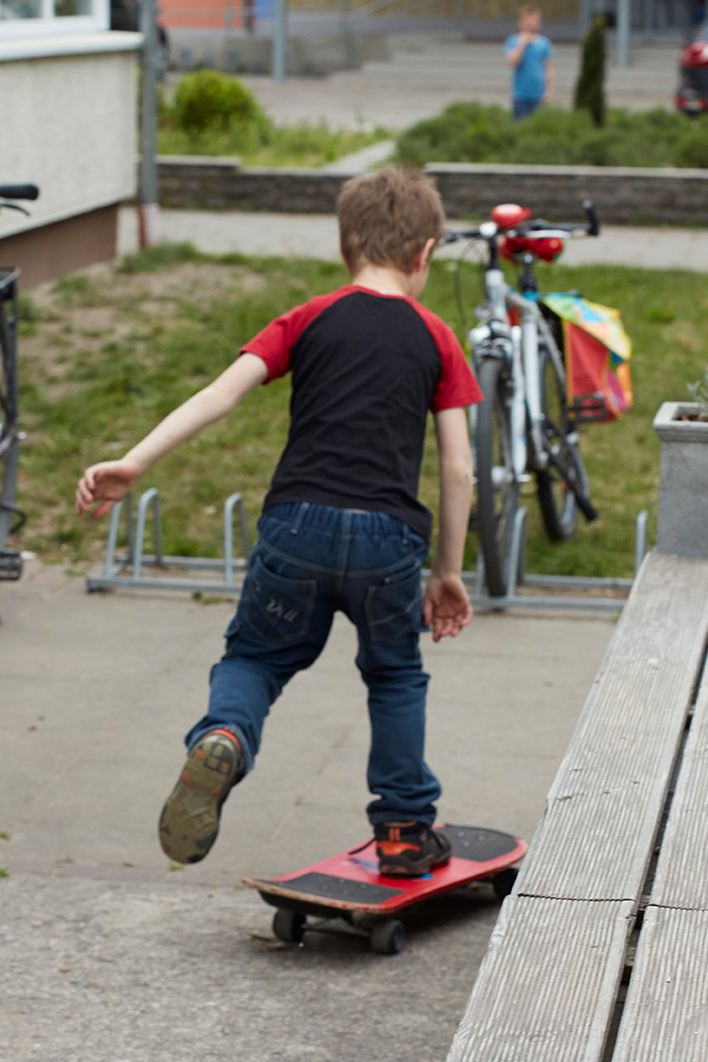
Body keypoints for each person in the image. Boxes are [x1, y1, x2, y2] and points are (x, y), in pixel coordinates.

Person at [75, 168, 482, 877]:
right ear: (426, 253)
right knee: (394, 677)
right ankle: (403, 831)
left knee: (255, 659)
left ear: (343, 245)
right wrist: (446, 572)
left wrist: (133, 463)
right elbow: (458, 469)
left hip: (295, 527)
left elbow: (218, 395)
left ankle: (226, 734)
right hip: (389, 541)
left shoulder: (309, 316)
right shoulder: (437, 336)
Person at [505, 5, 554, 119]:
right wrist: (523, 43)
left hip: (539, 95)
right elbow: (513, 62)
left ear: (539, 23)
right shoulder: (513, 41)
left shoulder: (544, 43)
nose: (531, 23)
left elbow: (549, 68)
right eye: (527, 20)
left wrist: (549, 92)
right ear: (520, 22)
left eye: (534, 20)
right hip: (521, 96)